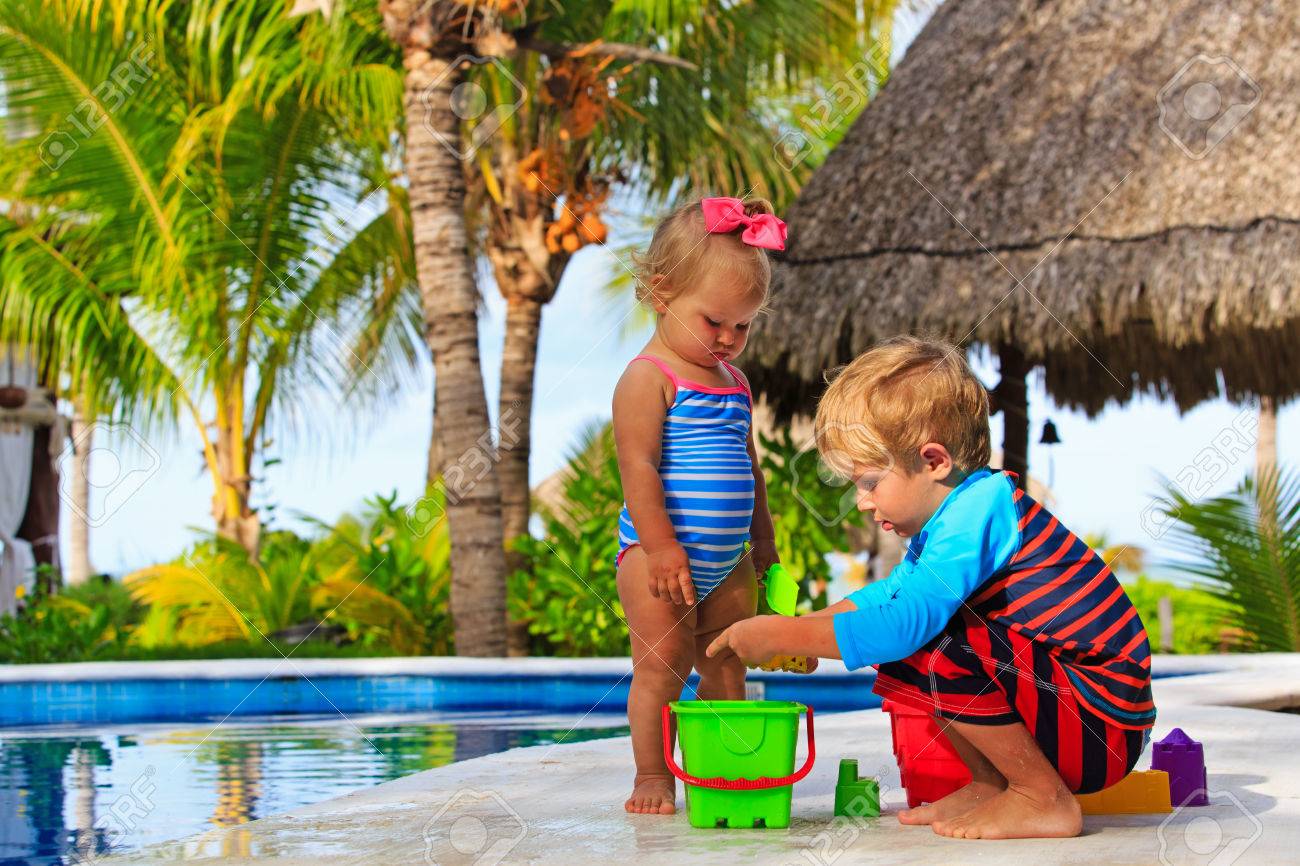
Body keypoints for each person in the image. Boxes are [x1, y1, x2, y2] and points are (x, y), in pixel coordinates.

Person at [706, 337, 1157, 839]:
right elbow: (887, 597)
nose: (861, 502)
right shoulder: (948, 524)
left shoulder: (978, 510)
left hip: (1101, 721)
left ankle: (1041, 798)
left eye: (871, 482)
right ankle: (992, 783)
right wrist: (798, 627)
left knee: (925, 635)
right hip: (1076, 709)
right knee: (918, 631)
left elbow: (904, 621)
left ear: (934, 461)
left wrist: (786, 638)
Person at [612, 196, 786, 815]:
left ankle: (723, 768)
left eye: (743, 326)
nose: (729, 338)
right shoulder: (648, 377)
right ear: (661, 294)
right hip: (656, 556)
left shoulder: (735, 382)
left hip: (728, 559)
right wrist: (660, 547)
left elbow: (752, 469)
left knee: (727, 662)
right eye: (715, 321)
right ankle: (652, 776)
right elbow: (639, 468)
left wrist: (763, 545)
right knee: (662, 667)